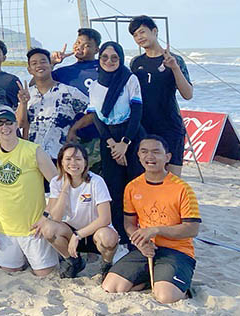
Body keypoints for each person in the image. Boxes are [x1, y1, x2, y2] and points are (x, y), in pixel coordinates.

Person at [102, 135, 201, 305]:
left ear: (167, 157)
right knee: (111, 287)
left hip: (177, 251)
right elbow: (129, 224)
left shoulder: (182, 188)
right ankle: (154, 277)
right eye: (144, 152)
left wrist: (156, 230)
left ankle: (174, 283)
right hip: (145, 250)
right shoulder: (133, 187)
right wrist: (140, 241)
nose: (150, 157)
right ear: (139, 156)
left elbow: (192, 229)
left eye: (156, 152)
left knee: (165, 297)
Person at [0, 105, 60, 276]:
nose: (5, 127)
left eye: (9, 122)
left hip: (33, 229)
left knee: (44, 273)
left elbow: (58, 185)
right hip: (4, 230)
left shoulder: (33, 150)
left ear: (16, 124)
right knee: (9, 271)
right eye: (0, 124)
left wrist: (46, 216)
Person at [33, 143, 125, 279]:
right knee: (49, 229)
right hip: (70, 230)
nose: (73, 163)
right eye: (68, 159)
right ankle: (73, 261)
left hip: (94, 231)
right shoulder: (56, 182)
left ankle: (106, 265)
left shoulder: (96, 181)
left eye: (78, 159)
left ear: (85, 162)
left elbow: (105, 219)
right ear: (61, 162)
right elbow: (56, 217)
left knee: (109, 238)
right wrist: (65, 188)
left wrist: (78, 235)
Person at [87, 41, 145, 234]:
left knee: (136, 185)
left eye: (114, 57)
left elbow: (137, 112)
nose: (109, 61)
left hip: (131, 137)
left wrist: (125, 144)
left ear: (120, 59)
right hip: (109, 140)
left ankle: (141, 229)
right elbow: (96, 117)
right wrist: (112, 144)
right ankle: (120, 233)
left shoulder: (130, 79)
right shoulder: (95, 85)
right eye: (104, 57)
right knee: (114, 187)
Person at [128, 16, 194, 176]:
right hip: (144, 127)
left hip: (170, 126)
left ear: (155, 31)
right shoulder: (136, 63)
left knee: (172, 180)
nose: (139, 38)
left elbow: (188, 94)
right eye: (135, 35)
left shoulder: (174, 60)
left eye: (142, 32)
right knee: (146, 177)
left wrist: (175, 68)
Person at [21, 48, 88, 161]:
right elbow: (20, 123)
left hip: (61, 156)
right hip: (32, 156)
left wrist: (74, 129)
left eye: (43, 61)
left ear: (51, 65)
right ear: (29, 70)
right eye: (34, 63)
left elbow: (92, 112)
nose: (39, 65)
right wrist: (23, 103)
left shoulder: (69, 92)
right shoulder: (28, 95)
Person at [51, 27, 102, 99]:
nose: (79, 47)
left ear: (96, 50)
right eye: (78, 43)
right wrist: (52, 63)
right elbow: (35, 87)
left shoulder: (105, 69)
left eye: (86, 45)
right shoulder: (63, 72)